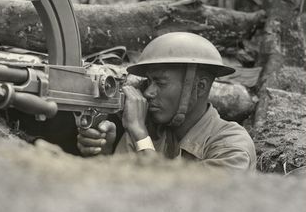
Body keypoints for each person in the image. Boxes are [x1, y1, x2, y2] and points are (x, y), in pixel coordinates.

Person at [77, 32, 256, 171]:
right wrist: (103, 154)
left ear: (199, 87)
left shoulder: (231, 145)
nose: (148, 92)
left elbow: (180, 201)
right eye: (149, 82)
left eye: (160, 83)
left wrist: (140, 135)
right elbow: (115, 194)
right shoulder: (149, 130)